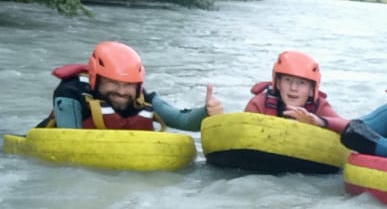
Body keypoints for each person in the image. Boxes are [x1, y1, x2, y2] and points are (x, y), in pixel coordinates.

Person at [43, 41, 223, 131]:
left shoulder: (143, 99)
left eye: (128, 85)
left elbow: (183, 120)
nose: (121, 92)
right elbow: (69, 143)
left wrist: (207, 112)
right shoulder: (71, 94)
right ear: (95, 79)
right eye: (112, 83)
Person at [244, 50, 347, 132]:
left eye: (301, 83)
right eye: (287, 80)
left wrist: (320, 121)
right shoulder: (259, 103)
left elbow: (349, 126)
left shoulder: (320, 106)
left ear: (311, 89)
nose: (293, 88)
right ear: (278, 83)